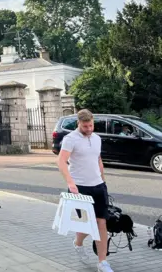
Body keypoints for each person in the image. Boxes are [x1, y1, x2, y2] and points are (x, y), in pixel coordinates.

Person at [57, 109, 113, 272]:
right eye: (85, 126)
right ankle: (78, 243)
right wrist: (70, 182)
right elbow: (61, 161)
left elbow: (98, 159)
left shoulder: (96, 138)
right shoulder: (70, 139)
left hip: (98, 185)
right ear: (78, 124)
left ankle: (102, 262)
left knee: (101, 222)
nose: (88, 129)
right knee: (88, 224)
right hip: (79, 187)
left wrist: (103, 179)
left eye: (90, 125)